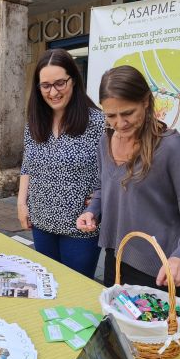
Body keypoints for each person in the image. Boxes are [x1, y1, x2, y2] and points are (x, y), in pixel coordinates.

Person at [76, 65, 180, 301]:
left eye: (128, 113)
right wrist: (92, 211)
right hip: (114, 261)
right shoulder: (105, 141)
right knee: (118, 334)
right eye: (110, 115)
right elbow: (106, 187)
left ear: (146, 102)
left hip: (160, 273)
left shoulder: (172, 148)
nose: (119, 124)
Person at [18, 48, 105, 278]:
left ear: (73, 81)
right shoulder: (35, 121)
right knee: (48, 286)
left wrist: (98, 201)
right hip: (41, 221)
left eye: (60, 83)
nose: (53, 92)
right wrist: (21, 203)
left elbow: (112, 171)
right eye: (45, 85)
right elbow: (27, 164)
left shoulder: (96, 122)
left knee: (77, 290)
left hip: (79, 226)